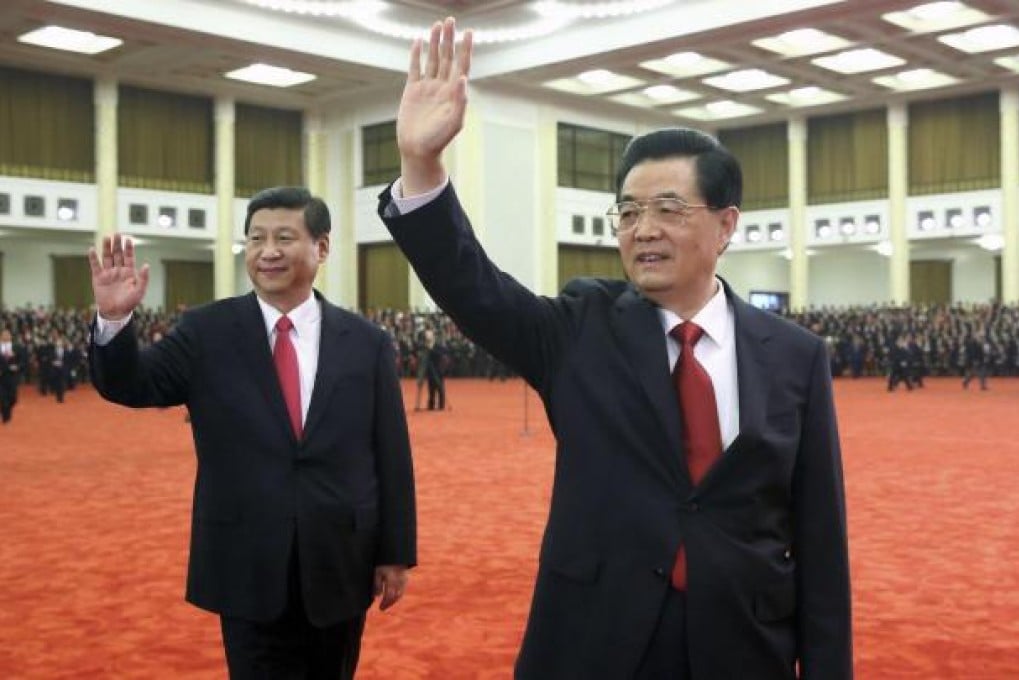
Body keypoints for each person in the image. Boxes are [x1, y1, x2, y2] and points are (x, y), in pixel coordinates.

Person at [378, 19, 851, 679]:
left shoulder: (795, 356)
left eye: (667, 209)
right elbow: (474, 287)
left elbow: (821, 540)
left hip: (744, 645)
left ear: (726, 224)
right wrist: (422, 166)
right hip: (596, 640)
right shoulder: (579, 330)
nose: (643, 230)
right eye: (627, 213)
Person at [87, 186, 417, 679]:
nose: (268, 251)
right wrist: (115, 320)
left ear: (321, 247)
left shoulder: (366, 343)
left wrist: (395, 552)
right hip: (245, 557)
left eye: (285, 237)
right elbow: (131, 384)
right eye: (256, 238)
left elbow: (390, 454)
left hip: (339, 560)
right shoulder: (206, 332)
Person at [1, 328, 23, 424]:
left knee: (13, 398)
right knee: (3, 397)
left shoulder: (17, 347)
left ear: (11, 336)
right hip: (1, 376)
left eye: (8, 334)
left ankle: (4, 410)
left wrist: (17, 367)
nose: (6, 336)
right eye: (4, 334)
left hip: (12, 376)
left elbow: (23, 360)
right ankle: (6, 418)